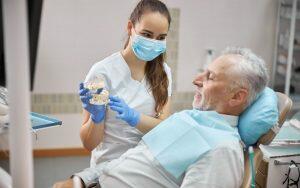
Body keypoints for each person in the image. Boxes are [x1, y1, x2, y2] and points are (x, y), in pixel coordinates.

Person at [88, 47, 269, 188]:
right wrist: (82, 179)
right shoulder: (190, 118)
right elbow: (135, 161)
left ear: (237, 97)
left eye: (210, 77)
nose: (196, 80)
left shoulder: (221, 149)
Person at [54, 0, 172, 187]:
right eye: (147, 34)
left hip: (146, 164)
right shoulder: (102, 73)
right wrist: (96, 117)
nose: (153, 43)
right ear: (130, 27)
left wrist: (135, 118)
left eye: (160, 38)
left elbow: (164, 128)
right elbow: (88, 144)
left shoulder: (164, 73)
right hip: (109, 168)